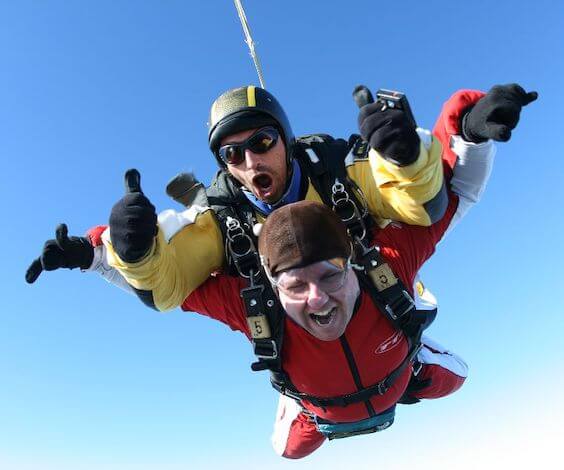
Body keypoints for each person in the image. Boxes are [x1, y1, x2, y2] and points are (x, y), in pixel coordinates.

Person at [47, 84, 530, 314]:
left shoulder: (336, 171)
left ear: (287, 141)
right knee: (290, 446)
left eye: (262, 143)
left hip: (370, 299)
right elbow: (168, 284)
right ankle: (303, 400)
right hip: (297, 334)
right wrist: (129, 252)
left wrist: (411, 157)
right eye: (232, 154)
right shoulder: (221, 218)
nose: (251, 163)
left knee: (439, 372)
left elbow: (423, 206)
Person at [182, 199, 469, 458]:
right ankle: (303, 403)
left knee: (459, 377)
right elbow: (165, 289)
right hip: (320, 410)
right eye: (295, 286)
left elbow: (455, 195)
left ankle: (413, 353)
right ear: (274, 287)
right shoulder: (253, 305)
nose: (316, 298)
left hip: (398, 374)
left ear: (352, 263)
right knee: (287, 450)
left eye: (330, 276)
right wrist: (142, 256)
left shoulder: (387, 264)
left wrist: (468, 138)